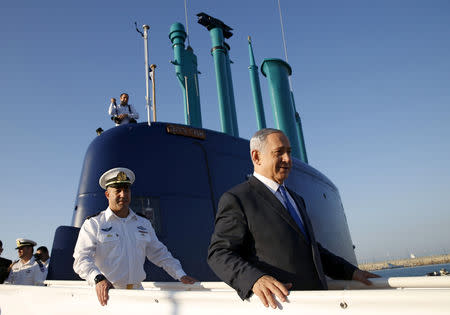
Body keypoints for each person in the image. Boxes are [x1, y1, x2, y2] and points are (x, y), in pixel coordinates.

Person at [207, 128, 379, 309]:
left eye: (289, 152)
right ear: (256, 157)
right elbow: (218, 253)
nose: (288, 159)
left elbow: (312, 250)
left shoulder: (297, 199)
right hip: (283, 307)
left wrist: (351, 272)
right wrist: (254, 279)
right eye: (279, 152)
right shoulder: (238, 199)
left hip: (319, 304)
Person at [73, 167, 197, 306]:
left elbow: (159, 253)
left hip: (138, 295)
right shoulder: (94, 224)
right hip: (108, 296)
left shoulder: (143, 223)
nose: (123, 194)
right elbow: (81, 259)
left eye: (126, 190)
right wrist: (98, 278)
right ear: (107, 194)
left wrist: (180, 274)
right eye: (117, 190)